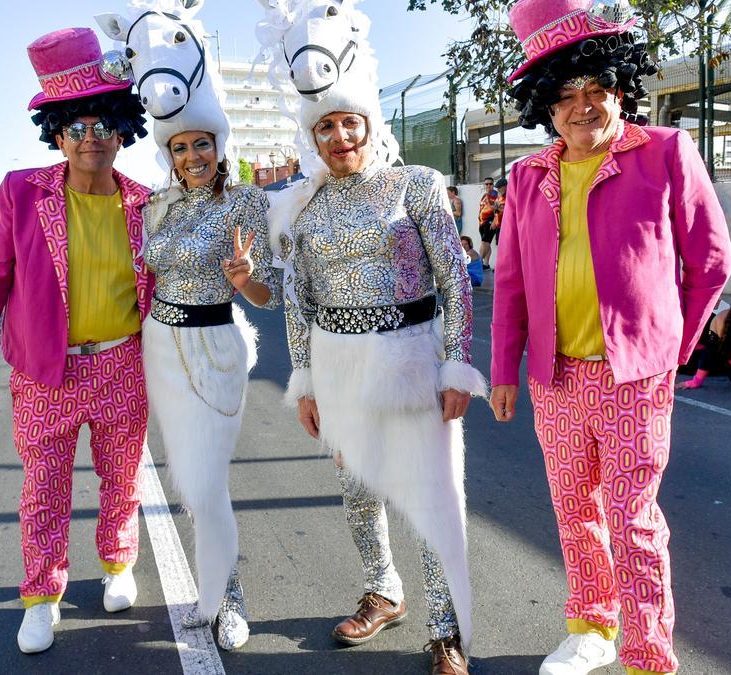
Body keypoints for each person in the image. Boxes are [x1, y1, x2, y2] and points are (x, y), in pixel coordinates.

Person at [492, 1, 731, 672]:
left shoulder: (664, 153)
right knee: (574, 511)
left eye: (596, 89)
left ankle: (649, 652)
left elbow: (711, 258)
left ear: (619, 86)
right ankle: (592, 628)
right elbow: (508, 279)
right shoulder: (527, 175)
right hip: (555, 376)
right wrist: (504, 371)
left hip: (636, 378)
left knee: (633, 521)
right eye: (566, 95)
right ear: (545, 104)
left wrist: (670, 346)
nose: (582, 106)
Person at [258, 5, 485, 670]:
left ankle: (447, 628)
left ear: (368, 121)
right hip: (338, 370)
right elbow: (297, 303)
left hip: (413, 360)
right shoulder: (302, 206)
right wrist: (304, 381)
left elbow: (455, 280)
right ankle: (384, 592)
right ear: (313, 134)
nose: (339, 135)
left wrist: (455, 364)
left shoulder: (414, 185)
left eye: (348, 121)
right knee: (358, 495)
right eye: (324, 125)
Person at [0, 27, 151, 654]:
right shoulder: (20, 193)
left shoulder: (144, 203)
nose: (90, 137)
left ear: (121, 130)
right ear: (56, 133)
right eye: (75, 126)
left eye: (102, 124)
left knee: (122, 480)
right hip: (44, 372)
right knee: (43, 489)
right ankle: (41, 595)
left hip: (122, 365)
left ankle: (118, 564)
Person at [110, 8, 279, 650]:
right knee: (187, 475)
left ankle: (228, 597)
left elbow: (267, 297)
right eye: (179, 147)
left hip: (217, 344)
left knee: (209, 480)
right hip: (161, 344)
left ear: (218, 144)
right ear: (168, 153)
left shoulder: (246, 204)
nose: (191, 155)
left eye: (200, 144)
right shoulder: (155, 208)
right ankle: (214, 589)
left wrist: (243, 282)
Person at [477, 176, 498, 269]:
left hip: (490, 221)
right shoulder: (484, 196)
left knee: (484, 242)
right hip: (482, 222)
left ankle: (478, 262)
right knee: (487, 243)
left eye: (490, 184)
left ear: (493, 185)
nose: (488, 186)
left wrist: (494, 221)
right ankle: (486, 264)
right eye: (487, 184)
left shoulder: (495, 195)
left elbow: (498, 209)